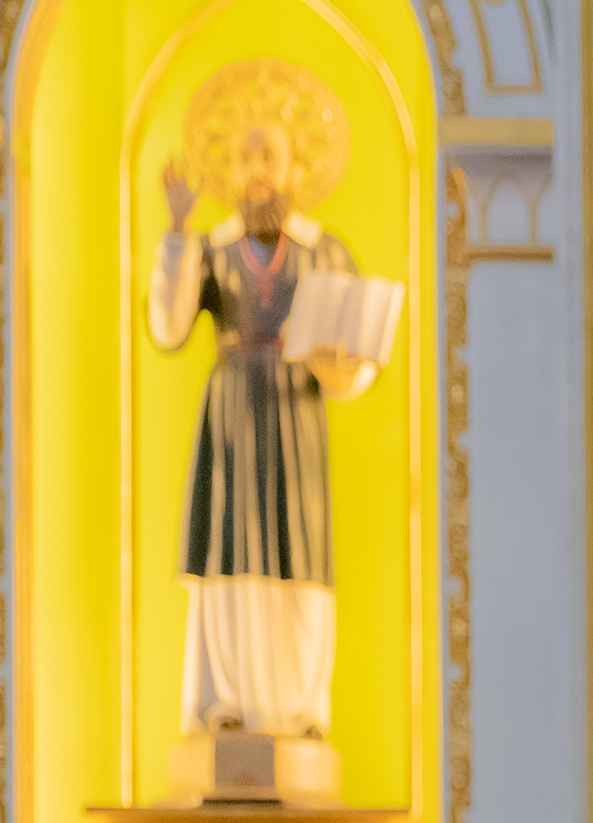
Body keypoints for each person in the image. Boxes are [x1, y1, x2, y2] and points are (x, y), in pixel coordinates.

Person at [150, 113, 399, 754]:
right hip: (233, 412)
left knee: (299, 547)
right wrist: (177, 233)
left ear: (294, 168)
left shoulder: (324, 251)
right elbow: (169, 327)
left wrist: (342, 364)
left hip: (296, 413)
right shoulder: (213, 249)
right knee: (228, 545)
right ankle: (224, 702)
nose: (257, 171)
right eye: (245, 157)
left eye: (269, 155)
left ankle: (300, 707)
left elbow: (356, 358)